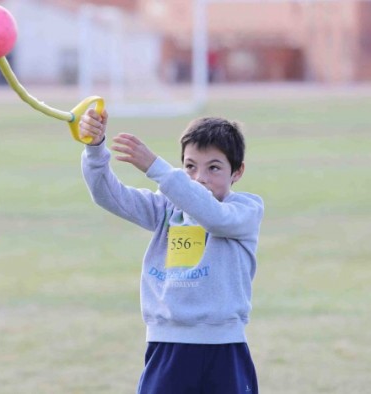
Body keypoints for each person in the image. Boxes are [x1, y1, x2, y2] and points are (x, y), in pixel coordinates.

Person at [78, 109, 264, 394]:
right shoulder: (166, 209)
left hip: (224, 348)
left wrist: (156, 167)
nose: (199, 178)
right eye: (190, 167)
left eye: (213, 168)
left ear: (237, 171)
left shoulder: (245, 211)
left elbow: (212, 216)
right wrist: (94, 149)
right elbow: (108, 195)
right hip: (168, 347)